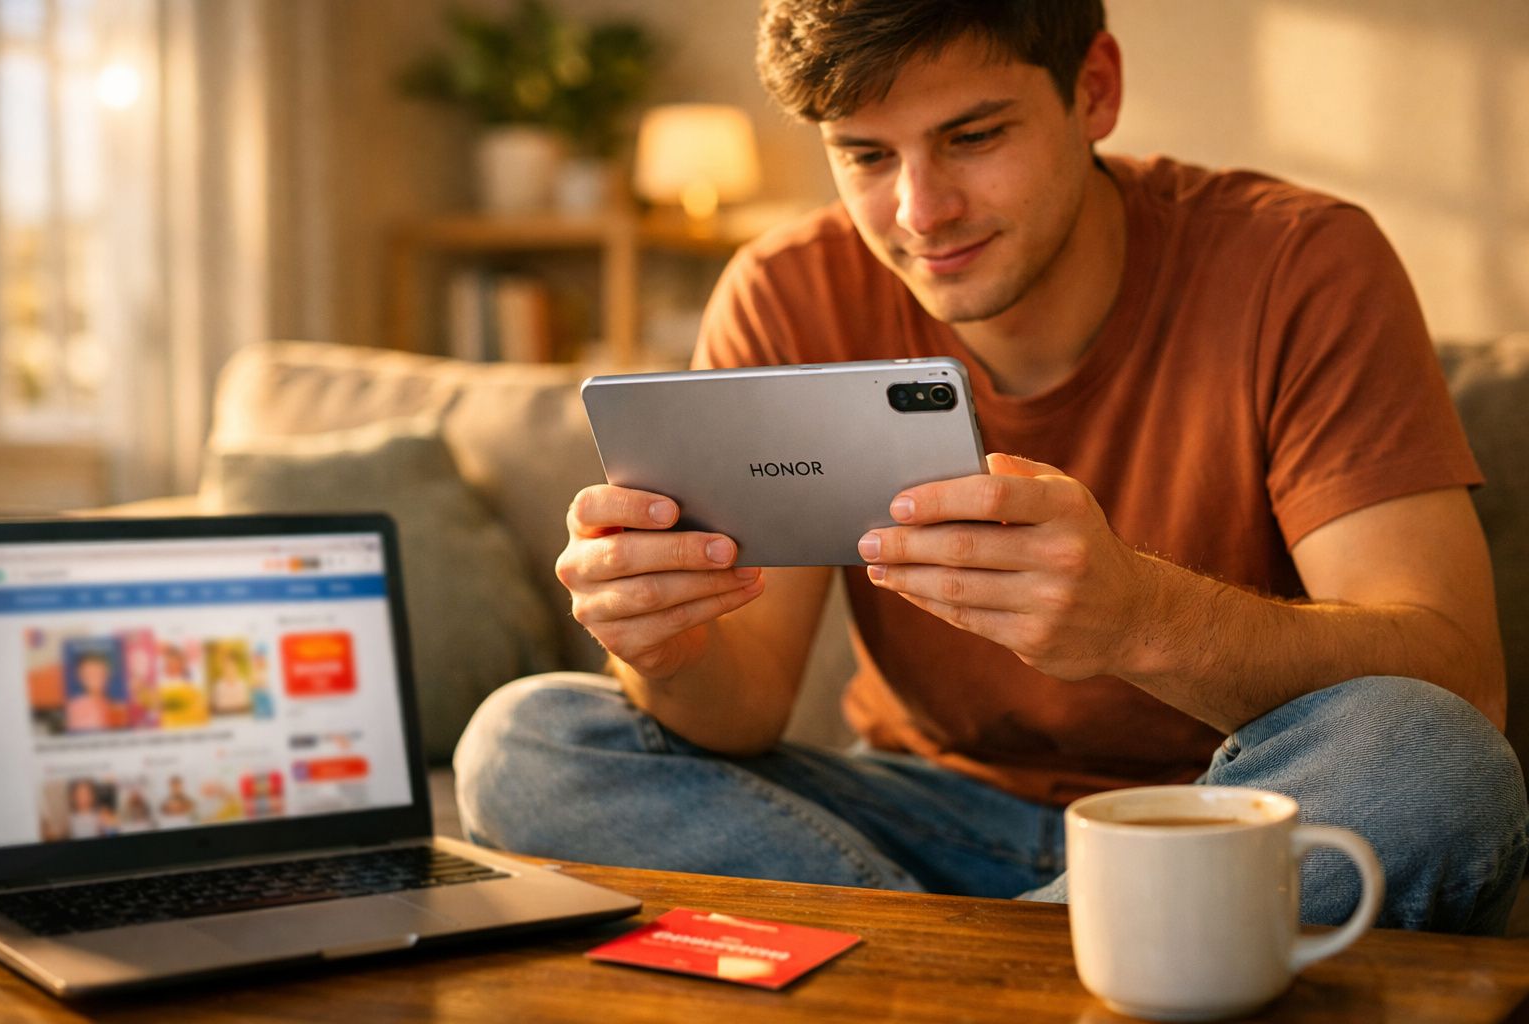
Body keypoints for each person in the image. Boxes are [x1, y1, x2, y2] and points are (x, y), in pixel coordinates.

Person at [455, 0, 1527, 933]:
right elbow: (742, 715)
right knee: (524, 744)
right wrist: (668, 644)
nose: (922, 213)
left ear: (1094, 90)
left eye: (971, 136)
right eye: (866, 156)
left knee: (1431, 761)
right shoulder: (788, 292)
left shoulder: (1301, 264)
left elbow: (1459, 678)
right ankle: (1059, 960)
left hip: (1228, 817)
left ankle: (926, 969)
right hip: (932, 823)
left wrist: (1137, 617)